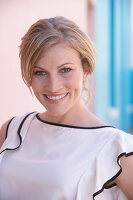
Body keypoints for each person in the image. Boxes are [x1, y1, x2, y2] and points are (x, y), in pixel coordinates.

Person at [0, 16, 133, 200]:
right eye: (40, 72)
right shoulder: (12, 130)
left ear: (86, 69)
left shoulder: (118, 148)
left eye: (65, 70)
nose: (53, 86)